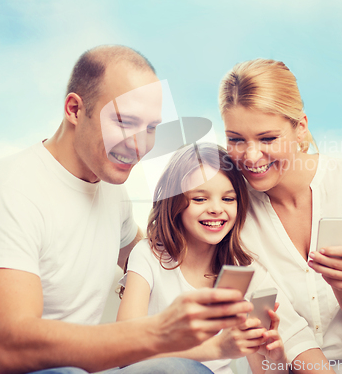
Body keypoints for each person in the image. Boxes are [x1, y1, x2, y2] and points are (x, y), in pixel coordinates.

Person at [0, 45, 252, 374]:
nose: (139, 145)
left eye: (150, 128)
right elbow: (10, 349)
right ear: (75, 109)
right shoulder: (10, 191)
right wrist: (161, 331)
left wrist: (209, 256)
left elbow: (144, 251)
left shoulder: (109, 188)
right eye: (124, 121)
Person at [218, 59, 342, 374]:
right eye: (236, 139)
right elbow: (287, 333)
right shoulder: (231, 213)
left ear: (301, 128)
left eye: (267, 139)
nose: (251, 156)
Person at [117, 142, 324, 374]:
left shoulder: (244, 272)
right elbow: (125, 351)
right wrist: (214, 348)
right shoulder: (148, 256)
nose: (216, 209)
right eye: (199, 199)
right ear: (174, 203)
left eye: (228, 199)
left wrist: (274, 359)